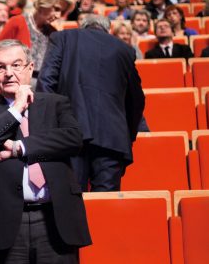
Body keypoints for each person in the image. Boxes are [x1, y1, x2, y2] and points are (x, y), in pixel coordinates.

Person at [0, 39, 91, 262]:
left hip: (55, 218)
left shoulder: (56, 103)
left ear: (30, 68)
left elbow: (72, 139)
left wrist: (19, 148)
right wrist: (15, 109)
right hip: (5, 222)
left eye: (16, 65)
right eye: (1, 67)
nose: (8, 73)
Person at [37, 15, 145, 192]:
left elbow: (46, 82)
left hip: (70, 133)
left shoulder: (63, 38)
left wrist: (54, 127)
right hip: (113, 138)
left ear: (82, 26)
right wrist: (128, 134)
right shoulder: (125, 49)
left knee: (72, 202)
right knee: (105, 206)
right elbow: (137, 100)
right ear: (108, 29)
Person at [0, 0, 75, 89]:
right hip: (15, 87)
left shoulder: (53, 33)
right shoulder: (17, 22)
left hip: (44, 89)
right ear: (44, 3)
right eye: (56, 8)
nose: (58, 15)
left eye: (62, 11)